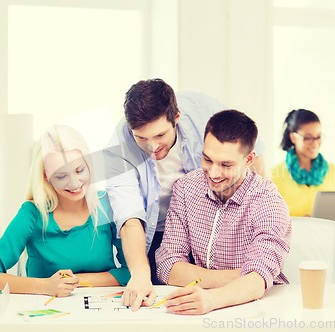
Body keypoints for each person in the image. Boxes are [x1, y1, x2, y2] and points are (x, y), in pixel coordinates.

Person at [104, 78, 266, 310]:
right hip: (152, 234)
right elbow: (129, 218)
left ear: (176, 118)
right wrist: (140, 274)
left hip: (210, 226)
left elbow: (252, 149)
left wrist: (260, 203)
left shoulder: (204, 111)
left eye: (160, 136)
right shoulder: (116, 149)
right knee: (164, 298)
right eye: (141, 138)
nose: (152, 146)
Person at [155, 110, 291, 315]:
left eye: (226, 165)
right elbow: (168, 266)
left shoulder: (268, 201)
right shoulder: (186, 188)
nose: (214, 173)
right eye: (208, 160)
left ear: (249, 159)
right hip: (204, 309)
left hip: (259, 310)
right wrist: (241, 278)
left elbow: (258, 278)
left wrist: (211, 297)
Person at [0, 125, 130, 295]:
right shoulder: (32, 214)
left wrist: (76, 281)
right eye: (61, 176)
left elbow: (130, 272)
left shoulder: (107, 204)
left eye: (79, 170)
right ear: (45, 177)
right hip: (46, 315)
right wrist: (46, 286)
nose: (74, 183)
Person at [270, 109, 335, 284]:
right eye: (308, 137)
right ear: (294, 137)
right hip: (294, 245)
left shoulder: (333, 171)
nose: (315, 143)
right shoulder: (275, 174)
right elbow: (271, 218)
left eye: (318, 137)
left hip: (330, 243)